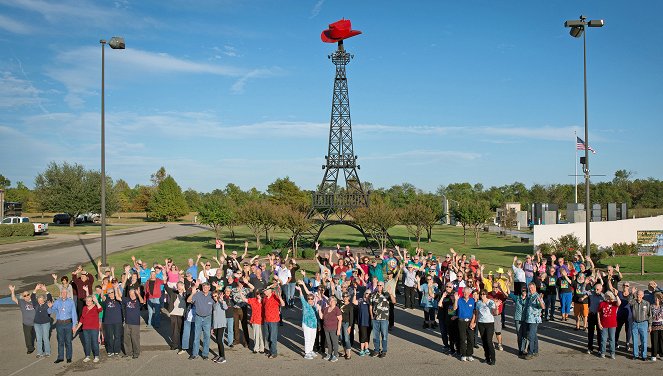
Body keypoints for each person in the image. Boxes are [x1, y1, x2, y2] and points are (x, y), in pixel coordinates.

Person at [47, 287, 78, 364]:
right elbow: (50, 311)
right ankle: (60, 357)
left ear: (67, 294)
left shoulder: (71, 302)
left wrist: (74, 325)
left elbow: (74, 314)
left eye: (65, 293)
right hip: (60, 324)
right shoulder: (57, 302)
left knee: (68, 341)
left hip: (68, 323)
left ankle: (69, 357)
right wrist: (50, 306)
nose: (63, 294)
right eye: (62, 293)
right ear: (60, 294)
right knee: (60, 341)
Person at [72, 292, 103, 363]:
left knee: (94, 342)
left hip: (94, 328)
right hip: (85, 328)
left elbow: (100, 309)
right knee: (86, 342)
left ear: (92, 302)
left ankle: (96, 356)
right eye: (87, 300)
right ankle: (87, 356)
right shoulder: (84, 308)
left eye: (90, 301)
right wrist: (76, 328)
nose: (88, 302)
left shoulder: (96, 307)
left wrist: (97, 302)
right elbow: (82, 319)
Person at [188, 281, 214, 360]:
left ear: (209, 288)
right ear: (202, 287)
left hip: (208, 318)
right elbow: (188, 300)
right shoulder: (197, 294)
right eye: (204, 287)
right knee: (197, 336)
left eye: (207, 287)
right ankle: (194, 354)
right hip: (198, 317)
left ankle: (205, 354)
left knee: (207, 336)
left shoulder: (212, 295)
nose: (205, 288)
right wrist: (192, 293)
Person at [8, 284, 36, 355]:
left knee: (39, 336)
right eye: (25, 295)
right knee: (28, 337)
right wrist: (12, 291)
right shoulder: (21, 302)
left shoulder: (34, 300)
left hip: (36, 323)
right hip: (27, 323)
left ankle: (42, 347)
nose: (26, 296)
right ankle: (30, 348)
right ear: (23, 297)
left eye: (27, 294)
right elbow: (13, 299)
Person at [521, 282, 545, 359]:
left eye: (532, 288)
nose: (531, 289)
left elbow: (543, 306)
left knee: (531, 336)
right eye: (529, 288)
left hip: (534, 320)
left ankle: (530, 353)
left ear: (535, 288)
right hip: (529, 319)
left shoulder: (537, 296)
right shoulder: (530, 296)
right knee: (534, 335)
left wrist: (540, 300)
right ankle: (536, 351)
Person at [296, 283, 319, 359]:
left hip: (314, 325)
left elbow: (317, 317)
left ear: (313, 299)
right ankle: (307, 353)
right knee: (308, 339)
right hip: (306, 324)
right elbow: (302, 297)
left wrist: (318, 324)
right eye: (308, 298)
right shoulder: (305, 305)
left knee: (313, 338)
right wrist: (300, 290)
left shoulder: (315, 307)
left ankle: (311, 350)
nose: (310, 300)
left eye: (311, 298)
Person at [629, 287, 652, 360]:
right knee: (635, 340)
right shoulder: (633, 302)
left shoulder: (646, 303)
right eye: (637, 294)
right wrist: (632, 294)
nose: (638, 296)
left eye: (640, 295)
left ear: (643, 295)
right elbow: (629, 302)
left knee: (644, 340)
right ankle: (635, 355)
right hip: (635, 323)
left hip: (644, 323)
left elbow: (649, 315)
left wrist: (650, 325)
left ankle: (644, 355)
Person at [475, 289, 497, 365]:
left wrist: (495, 306)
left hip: (489, 323)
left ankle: (493, 358)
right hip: (481, 323)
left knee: (489, 341)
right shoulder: (478, 303)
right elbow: (477, 313)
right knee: (484, 342)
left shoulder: (490, 302)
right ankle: (487, 357)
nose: (482, 296)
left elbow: (495, 313)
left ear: (486, 294)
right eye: (481, 294)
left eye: (484, 294)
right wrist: (475, 322)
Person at [30, 284, 53, 358]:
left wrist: (45, 290)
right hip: (37, 323)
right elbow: (32, 297)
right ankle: (39, 352)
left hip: (45, 323)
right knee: (39, 338)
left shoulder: (47, 304)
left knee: (45, 338)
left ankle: (47, 352)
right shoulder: (35, 304)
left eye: (41, 300)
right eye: (39, 300)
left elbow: (49, 297)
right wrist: (35, 289)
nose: (40, 301)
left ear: (44, 300)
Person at [369, 281, 391, 358]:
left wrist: (390, 292)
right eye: (378, 285)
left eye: (380, 285)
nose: (379, 286)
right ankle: (376, 350)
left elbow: (394, 302)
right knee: (375, 336)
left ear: (383, 286)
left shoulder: (386, 294)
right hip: (375, 318)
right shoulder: (373, 295)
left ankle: (384, 351)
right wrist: (371, 316)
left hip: (384, 318)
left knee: (384, 335)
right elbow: (371, 306)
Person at [263, 286, 285, 358]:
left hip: (273, 320)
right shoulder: (265, 298)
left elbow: (283, 304)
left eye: (266, 290)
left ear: (270, 290)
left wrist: (280, 297)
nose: (264, 291)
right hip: (266, 320)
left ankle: (274, 353)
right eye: (264, 290)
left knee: (273, 337)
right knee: (268, 337)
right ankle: (271, 351)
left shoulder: (275, 296)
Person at [319, 293, 342, 362]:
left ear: (335, 302)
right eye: (330, 301)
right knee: (328, 342)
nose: (331, 302)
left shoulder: (336, 309)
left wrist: (338, 330)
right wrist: (319, 309)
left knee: (334, 342)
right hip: (326, 328)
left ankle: (335, 355)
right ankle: (329, 354)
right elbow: (322, 317)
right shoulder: (326, 309)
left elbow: (340, 319)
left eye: (333, 301)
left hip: (334, 329)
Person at [455, 287, 476, 361]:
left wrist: (473, 321)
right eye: (464, 292)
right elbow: (454, 308)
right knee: (462, 338)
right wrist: (456, 300)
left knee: (471, 338)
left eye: (467, 292)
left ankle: (469, 354)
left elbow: (474, 312)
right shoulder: (459, 300)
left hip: (470, 321)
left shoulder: (472, 300)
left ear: (469, 293)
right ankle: (463, 354)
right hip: (461, 321)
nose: (465, 294)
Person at [165, 281, 187, 351]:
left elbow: (191, 295)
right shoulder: (173, 293)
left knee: (181, 330)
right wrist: (165, 281)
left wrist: (184, 290)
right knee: (174, 330)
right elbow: (166, 287)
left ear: (183, 286)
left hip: (182, 314)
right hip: (174, 313)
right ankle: (174, 344)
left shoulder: (186, 294)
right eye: (177, 286)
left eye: (180, 286)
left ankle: (181, 344)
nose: (179, 288)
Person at [122, 287, 144, 359]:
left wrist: (139, 294)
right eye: (129, 294)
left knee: (135, 339)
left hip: (135, 323)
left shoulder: (137, 301)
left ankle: (136, 353)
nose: (131, 295)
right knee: (126, 338)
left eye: (132, 294)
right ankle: (128, 352)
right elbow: (119, 297)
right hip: (127, 323)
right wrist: (116, 288)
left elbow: (142, 302)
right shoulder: (127, 300)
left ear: (135, 294)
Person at [101, 286, 123, 357]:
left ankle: (117, 350)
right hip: (108, 322)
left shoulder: (118, 300)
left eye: (111, 292)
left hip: (117, 321)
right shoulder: (107, 299)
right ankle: (110, 350)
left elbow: (119, 296)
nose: (110, 294)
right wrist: (102, 290)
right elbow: (102, 297)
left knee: (117, 336)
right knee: (109, 337)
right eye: (109, 293)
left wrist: (116, 289)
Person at [242, 288, 265, 354]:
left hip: (262, 320)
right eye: (257, 294)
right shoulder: (253, 300)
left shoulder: (264, 301)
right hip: (255, 319)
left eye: (259, 294)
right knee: (255, 334)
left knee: (262, 335)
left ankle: (262, 348)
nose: (258, 295)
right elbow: (245, 300)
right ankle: (256, 348)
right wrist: (240, 292)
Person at [598, 290, 621, 359]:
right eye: (606, 297)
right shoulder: (602, 303)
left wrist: (616, 295)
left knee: (612, 339)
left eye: (609, 297)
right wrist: (599, 323)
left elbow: (619, 303)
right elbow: (598, 313)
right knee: (603, 339)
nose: (608, 298)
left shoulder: (614, 303)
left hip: (612, 324)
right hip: (604, 324)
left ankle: (612, 353)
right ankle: (603, 352)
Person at [509, 285, 528, 357]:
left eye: (525, 290)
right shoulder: (517, 298)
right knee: (519, 335)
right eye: (523, 290)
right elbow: (509, 293)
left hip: (525, 319)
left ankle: (523, 349)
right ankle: (520, 349)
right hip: (518, 319)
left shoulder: (528, 299)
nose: (524, 292)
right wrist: (507, 285)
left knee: (525, 335)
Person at [587, 282, 605, 354]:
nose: (596, 291)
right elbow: (583, 291)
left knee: (599, 333)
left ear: (601, 289)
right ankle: (590, 347)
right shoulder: (591, 294)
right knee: (590, 332)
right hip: (591, 314)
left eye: (597, 289)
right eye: (595, 289)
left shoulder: (603, 297)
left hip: (599, 316)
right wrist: (585, 283)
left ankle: (600, 348)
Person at [211, 290, 228, 363]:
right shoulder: (214, 304)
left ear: (218, 295)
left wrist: (222, 300)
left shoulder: (221, 302)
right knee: (218, 341)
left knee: (219, 340)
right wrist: (212, 327)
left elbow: (226, 307)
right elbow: (213, 316)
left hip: (221, 324)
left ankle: (223, 357)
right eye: (213, 296)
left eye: (215, 296)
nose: (214, 297)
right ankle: (220, 355)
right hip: (216, 325)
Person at [616, 281, 633, 350]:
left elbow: (630, 302)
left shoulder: (631, 295)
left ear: (629, 287)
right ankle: (616, 342)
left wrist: (632, 293)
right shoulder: (619, 293)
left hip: (629, 316)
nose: (625, 287)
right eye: (624, 285)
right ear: (622, 286)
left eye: (627, 286)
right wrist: (608, 279)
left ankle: (627, 343)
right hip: (620, 315)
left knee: (628, 330)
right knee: (617, 329)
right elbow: (610, 288)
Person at [339, 292, 356, 359]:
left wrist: (350, 327)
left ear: (349, 297)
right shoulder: (340, 304)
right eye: (343, 296)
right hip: (340, 323)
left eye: (346, 296)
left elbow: (351, 317)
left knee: (346, 339)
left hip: (347, 323)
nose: (345, 298)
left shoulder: (350, 306)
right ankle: (345, 351)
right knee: (341, 338)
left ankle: (349, 353)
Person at [357, 290, 372, 356]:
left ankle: (366, 348)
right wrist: (354, 294)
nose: (368, 294)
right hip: (362, 321)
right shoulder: (360, 300)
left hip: (369, 321)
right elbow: (354, 302)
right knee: (363, 335)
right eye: (367, 293)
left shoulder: (371, 301)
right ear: (364, 293)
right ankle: (362, 349)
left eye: (369, 293)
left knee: (367, 335)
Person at [651, 292, 663, 361]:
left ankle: (661, 354)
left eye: (658, 299)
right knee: (654, 341)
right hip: (654, 326)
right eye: (655, 299)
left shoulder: (662, 306)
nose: (656, 300)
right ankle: (654, 355)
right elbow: (651, 316)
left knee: (661, 341)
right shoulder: (652, 306)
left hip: (662, 326)